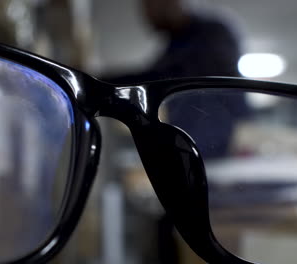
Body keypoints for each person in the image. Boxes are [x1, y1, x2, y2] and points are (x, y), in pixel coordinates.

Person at [105, 0, 247, 263]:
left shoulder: (212, 32)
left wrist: (103, 81)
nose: (147, 19)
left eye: (151, 10)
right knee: (169, 227)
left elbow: (159, 75)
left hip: (212, 156)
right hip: (190, 156)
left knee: (197, 233)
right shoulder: (176, 42)